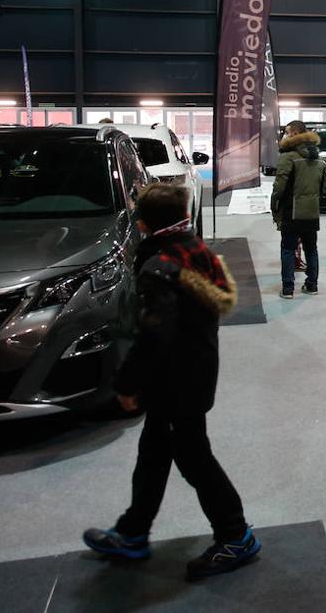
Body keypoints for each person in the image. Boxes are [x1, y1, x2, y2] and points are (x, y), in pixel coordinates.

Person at [83, 183, 260, 579]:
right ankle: (133, 531)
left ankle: (235, 536)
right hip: (192, 373)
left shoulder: (160, 265)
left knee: (194, 459)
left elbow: (155, 334)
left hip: (176, 382)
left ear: (141, 223)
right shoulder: (194, 249)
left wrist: (127, 384)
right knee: (153, 455)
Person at [271, 121, 325, 299]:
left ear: (294, 134)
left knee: (287, 249)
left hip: (291, 211)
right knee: (311, 248)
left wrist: (274, 205)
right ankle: (312, 285)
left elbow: (280, 187)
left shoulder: (288, 157)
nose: (285, 136)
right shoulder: (318, 159)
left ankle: (288, 289)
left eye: (287, 132)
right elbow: (321, 188)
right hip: (312, 212)